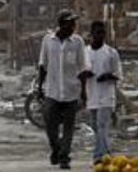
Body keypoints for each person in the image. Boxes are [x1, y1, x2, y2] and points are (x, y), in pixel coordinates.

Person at [37, 9, 91, 170]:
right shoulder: (48, 41)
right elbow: (42, 65)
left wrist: (83, 91)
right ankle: (56, 149)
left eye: (74, 23)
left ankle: (64, 157)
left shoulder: (78, 42)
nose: (74, 26)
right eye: (71, 23)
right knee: (50, 127)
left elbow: (82, 67)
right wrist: (40, 88)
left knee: (68, 127)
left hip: (71, 91)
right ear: (62, 25)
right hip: (52, 91)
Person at [85, 21, 122, 164]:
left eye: (102, 32)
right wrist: (85, 74)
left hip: (107, 95)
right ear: (92, 34)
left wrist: (107, 76)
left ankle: (98, 156)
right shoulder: (85, 52)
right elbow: (80, 70)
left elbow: (118, 74)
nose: (100, 35)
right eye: (97, 32)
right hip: (91, 94)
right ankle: (106, 153)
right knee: (95, 126)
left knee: (102, 125)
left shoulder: (111, 53)